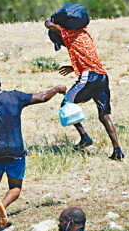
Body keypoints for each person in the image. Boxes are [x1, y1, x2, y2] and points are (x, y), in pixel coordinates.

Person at [0, 70, 66, 231]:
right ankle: (4, 204)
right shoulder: (14, 97)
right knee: (15, 187)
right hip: (15, 152)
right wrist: (56, 89)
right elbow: (41, 97)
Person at [44, 18, 124, 160]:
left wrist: (50, 20)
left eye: (59, 42)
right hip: (102, 77)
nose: (61, 45)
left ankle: (84, 137)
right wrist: (73, 67)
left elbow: (50, 25)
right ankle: (117, 149)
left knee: (66, 104)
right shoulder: (84, 33)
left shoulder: (69, 34)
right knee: (103, 115)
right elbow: (86, 57)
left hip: (90, 77)